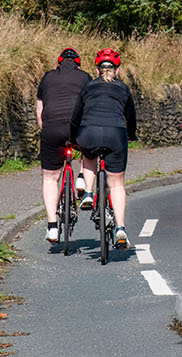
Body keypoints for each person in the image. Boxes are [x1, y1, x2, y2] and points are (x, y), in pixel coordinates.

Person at [69, 47, 137, 248]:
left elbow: (76, 116)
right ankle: (120, 228)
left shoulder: (88, 87)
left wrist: (75, 139)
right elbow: (130, 117)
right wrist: (131, 136)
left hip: (88, 131)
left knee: (88, 157)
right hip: (115, 134)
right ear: (117, 71)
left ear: (97, 70)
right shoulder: (123, 89)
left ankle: (88, 192)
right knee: (116, 184)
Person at [35, 48, 91, 243]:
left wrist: (46, 131)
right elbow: (90, 108)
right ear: (78, 63)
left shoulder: (47, 78)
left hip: (52, 129)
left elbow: (40, 113)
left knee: (50, 178)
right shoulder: (85, 77)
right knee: (88, 149)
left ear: (59, 63)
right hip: (77, 128)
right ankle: (82, 179)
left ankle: (52, 226)